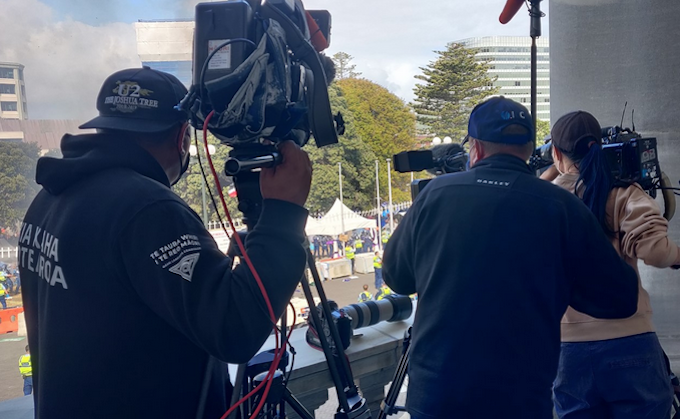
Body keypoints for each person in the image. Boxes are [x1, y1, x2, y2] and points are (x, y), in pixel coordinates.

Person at [18, 67, 312, 419]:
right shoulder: (147, 208)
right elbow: (235, 329)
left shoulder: (51, 197)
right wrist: (283, 215)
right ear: (182, 136)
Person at [383, 97, 639, 419]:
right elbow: (621, 299)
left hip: (436, 395)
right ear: (532, 149)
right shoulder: (561, 207)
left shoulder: (434, 194)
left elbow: (396, 277)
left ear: (475, 148)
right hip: (520, 399)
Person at [541, 111, 680, 418]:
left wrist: (551, 172)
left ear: (555, 153)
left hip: (569, 349)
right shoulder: (622, 192)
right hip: (630, 340)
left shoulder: (544, 200)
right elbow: (655, 250)